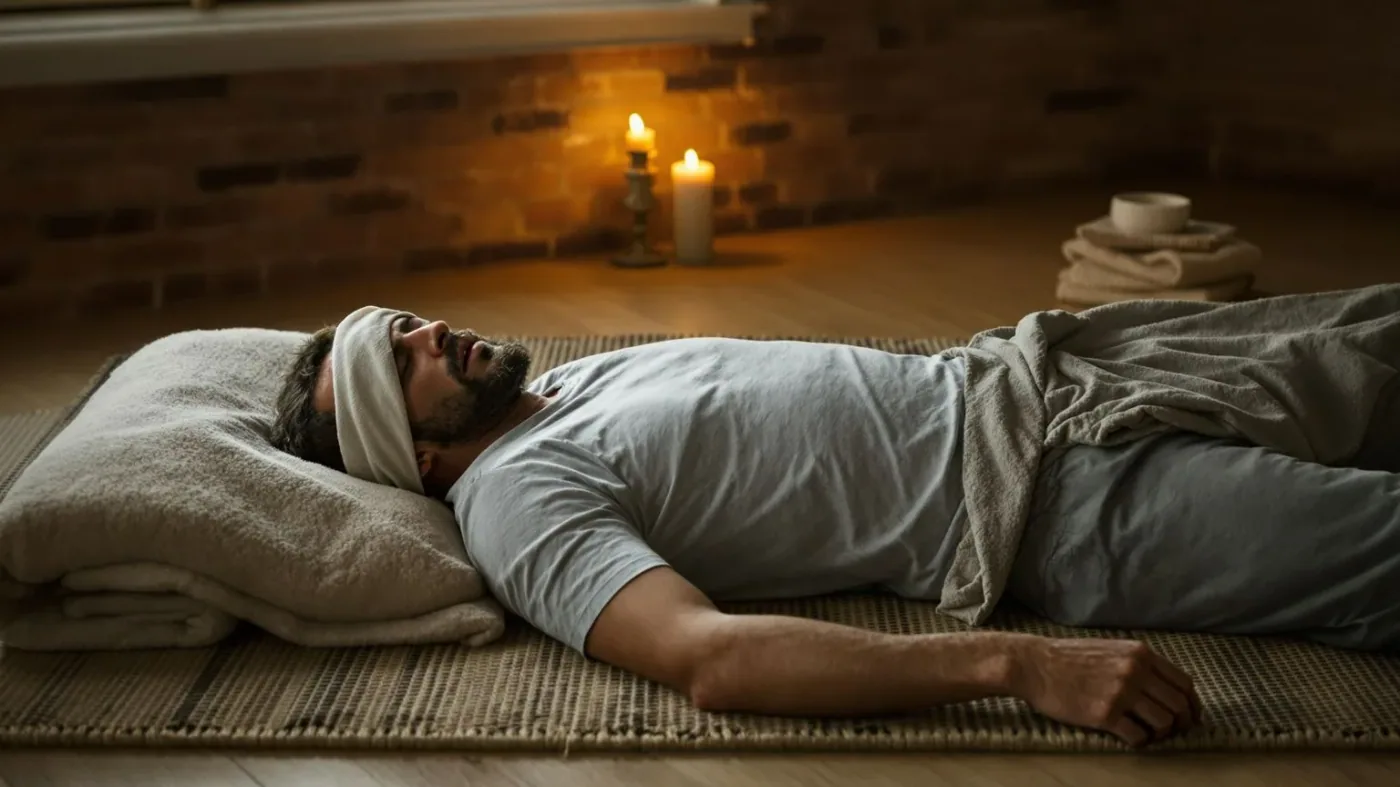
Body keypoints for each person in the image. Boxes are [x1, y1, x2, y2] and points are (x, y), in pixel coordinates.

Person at [269, 303, 1399, 748]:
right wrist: (1016, 664)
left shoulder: (569, 385)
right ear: (412, 456)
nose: (428, 334)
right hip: (1057, 508)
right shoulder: (518, 504)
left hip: (1046, 372)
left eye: (406, 323)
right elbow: (708, 658)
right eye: (396, 362)